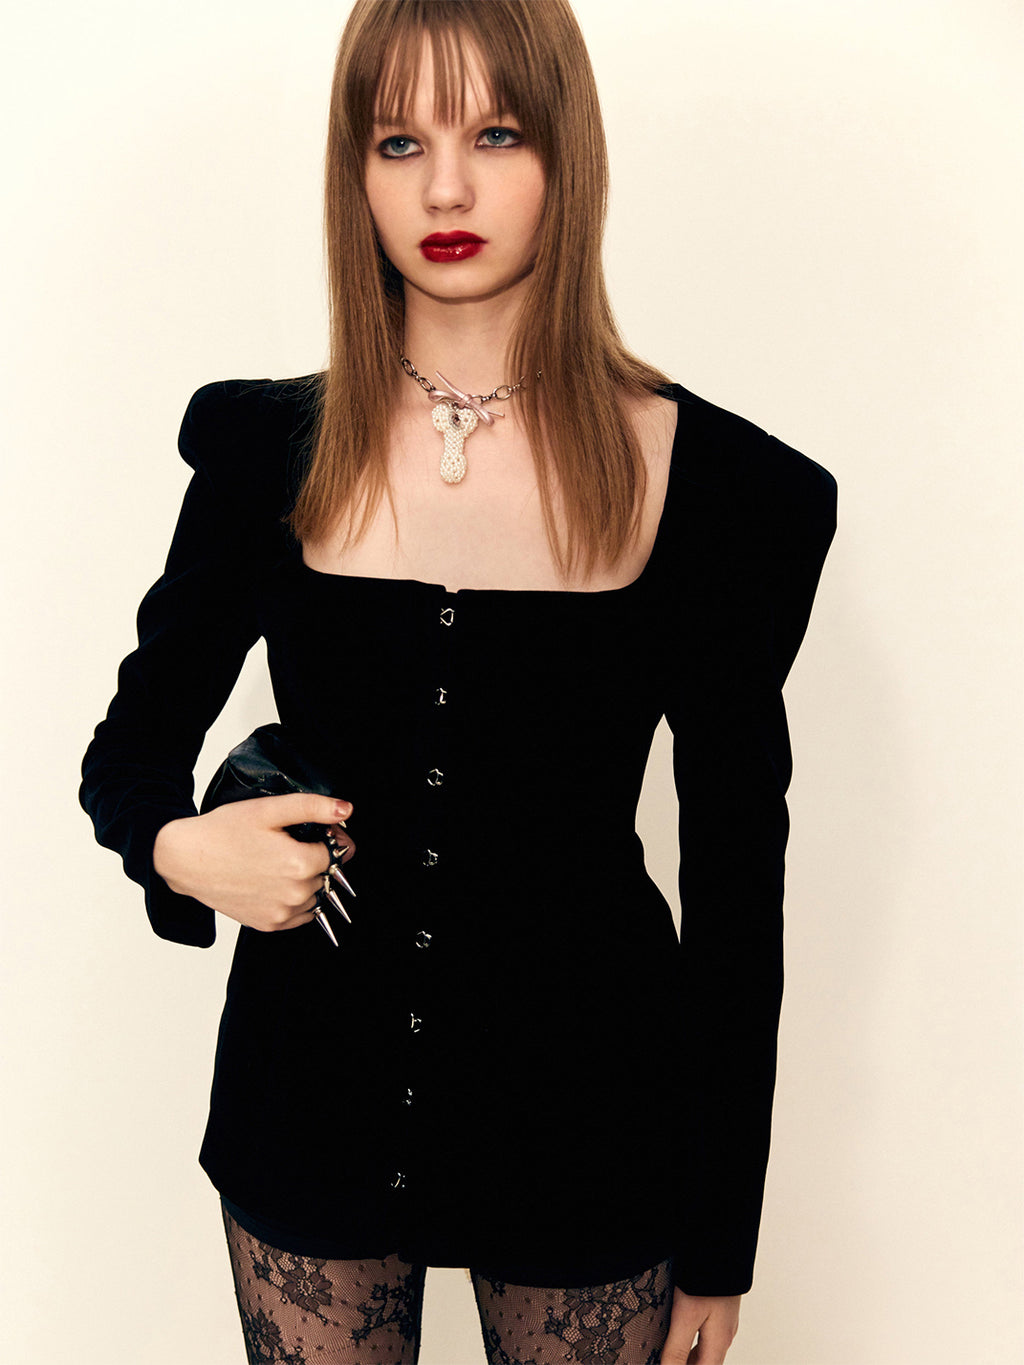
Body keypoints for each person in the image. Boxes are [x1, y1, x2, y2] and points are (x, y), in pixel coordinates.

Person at [80, 1, 838, 1361]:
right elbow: (129, 751)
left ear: (567, 153)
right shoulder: (266, 451)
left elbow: (739, 895)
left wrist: (722, 1230)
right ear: (352, 172)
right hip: (307, 1102)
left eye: (495, 134)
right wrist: (182, 849)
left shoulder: (726, 492)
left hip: (593, 1122)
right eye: (398, 141)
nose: (444, 188)